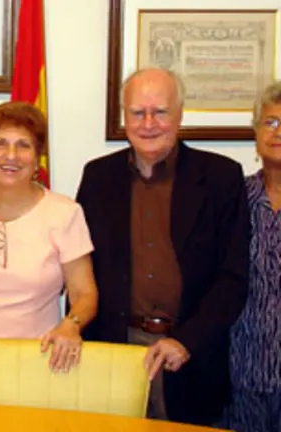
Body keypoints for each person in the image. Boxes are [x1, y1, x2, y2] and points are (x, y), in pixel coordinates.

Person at [76, 67, 250, 425]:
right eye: (138, 113)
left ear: (180, 114)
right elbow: (82, 268)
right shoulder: (97, 177)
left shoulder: (221, 177)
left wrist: (187, 341)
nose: (149, 123)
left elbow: (233, 278)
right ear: (124, 117)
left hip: (189, 355)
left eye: (161, 112)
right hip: (115, 350)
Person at [0, 101, 98, 403]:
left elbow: (85, 294)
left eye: (23, 145)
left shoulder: (64, 213)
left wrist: (71, 324)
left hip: (40, 359)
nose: (11, 156)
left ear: (38, 155)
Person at [224, 81, 281, 432]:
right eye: (270, 122)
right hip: (240, 367)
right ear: (256, 134)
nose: (278, 132)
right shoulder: (233, 196)